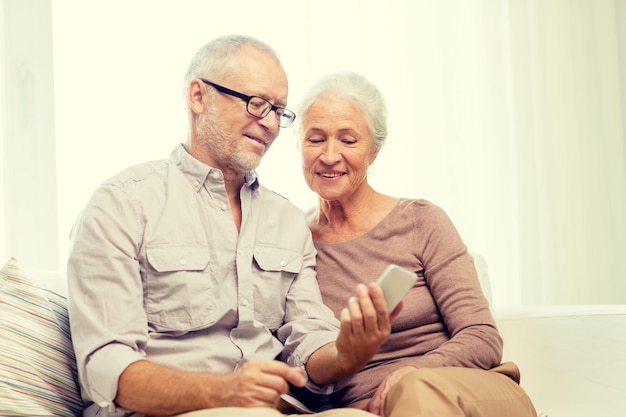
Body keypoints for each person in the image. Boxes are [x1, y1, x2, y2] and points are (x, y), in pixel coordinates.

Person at [67, 36, 395, 417]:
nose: (271, 124)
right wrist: (226, 392)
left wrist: (345, 354)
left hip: (277, 409)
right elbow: (106, 368)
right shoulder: (120, 204)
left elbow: (308, 340)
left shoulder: (287, 220)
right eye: (257, 104)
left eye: (279, 111)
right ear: (198, 96)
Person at [294, 72, 538, 417]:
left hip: (463, 388)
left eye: (348, 141)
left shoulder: (420, 220)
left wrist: (412, 374)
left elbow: (482, 336)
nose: (330, 155)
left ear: (373, 152)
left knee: (414, 390)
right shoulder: (292, 245)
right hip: (370, 405)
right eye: (315, 139)